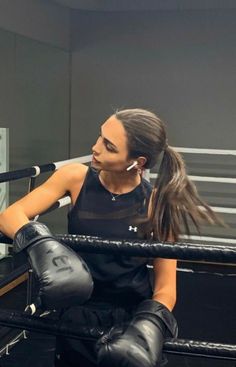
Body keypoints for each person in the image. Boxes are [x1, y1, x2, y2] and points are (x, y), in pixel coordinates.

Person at [0, 108, 221, 367]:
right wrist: (42, 245)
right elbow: (11, 215)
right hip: (76, 312)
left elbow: (166, 287)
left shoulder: (156, 204)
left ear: (137, 162)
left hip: (129, 318)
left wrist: (148, 327)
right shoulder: (75, 177)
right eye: (100, 136)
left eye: (109, 146)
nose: (95, 147)